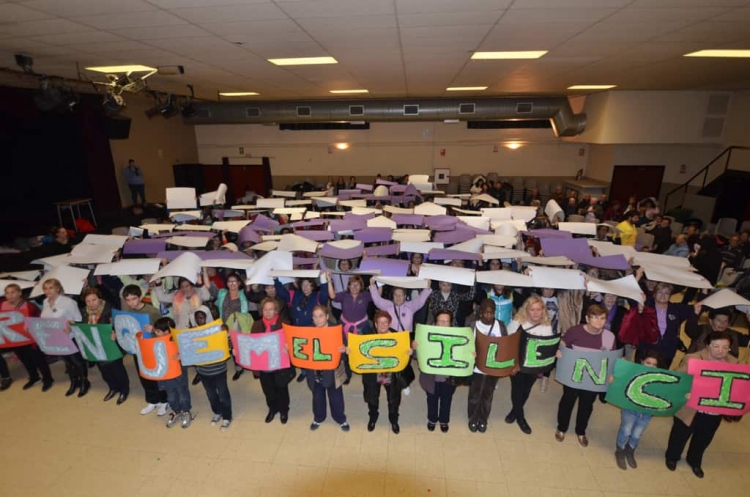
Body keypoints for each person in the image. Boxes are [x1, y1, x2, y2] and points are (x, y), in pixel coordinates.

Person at [665, 331, 737, 478]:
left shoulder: (734, 363)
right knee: (680, 434)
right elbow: (677, 377)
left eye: (725, 347)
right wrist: (685, 391)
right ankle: (672, 457)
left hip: (714, 409)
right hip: (691, 406)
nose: (721, 351)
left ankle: (694, 460)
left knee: (704, 437)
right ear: (707, 345)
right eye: (716, 346)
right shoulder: (693, 359)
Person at [555, 304, 616, 447]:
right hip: (573, 375)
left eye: (602, 318)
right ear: (587, 319)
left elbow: (612, 358)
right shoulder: (575, 331)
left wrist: (611, 373)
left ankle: (581, 431)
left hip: (593, 379)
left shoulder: (609, 336)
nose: (599, 321)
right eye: (595, 317)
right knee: (568, 401)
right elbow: (562, 343)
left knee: (587, 405)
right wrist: (559, 351)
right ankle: (562, 428)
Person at [505, 295, 554, 435]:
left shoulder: (546, 325)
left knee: (526, 389)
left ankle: (514, 411)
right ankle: (521, 418)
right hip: (517, 364)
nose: (536, 313)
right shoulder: (517, 322)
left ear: (543, 310)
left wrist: (554, 351)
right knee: (517, 388)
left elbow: (547, 346)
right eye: (532, 309)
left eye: (539, 309)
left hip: (534, 365)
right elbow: (508, 343)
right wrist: (514, 364)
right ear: (526, 310)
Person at [360, 311, 412, 434]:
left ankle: (393, 419)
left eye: (385, 322)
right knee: (372, 396)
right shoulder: (367, 336)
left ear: (389, 324)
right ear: (376, 324)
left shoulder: (397, 337)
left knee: (393, 398)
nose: (383, 325)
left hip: (389, 372)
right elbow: (359, 351)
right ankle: (373, 416)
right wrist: (350, 350)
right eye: (380, 322)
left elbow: (404, 355)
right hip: (373, 372)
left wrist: (408, 352)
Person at [122, 285, 169, 416]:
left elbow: (165, 331)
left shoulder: (152, 311)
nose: (131, 303)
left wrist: (153, 330)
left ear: (140, 297)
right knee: (144, 375)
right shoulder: (129, 311)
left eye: (134, 299)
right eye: (128, 300)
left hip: (153, 348)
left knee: (158, 376)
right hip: (138, 348)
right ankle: (153, 400)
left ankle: (164, 400)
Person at [40, 279, 89, 398]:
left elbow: (78, 319)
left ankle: (84, 381)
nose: (47, 291)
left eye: (51, 287)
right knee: (67, 361)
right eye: (45, 288)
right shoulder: (45, 302)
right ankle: (74, 381)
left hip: (70, 336)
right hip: (55, 337)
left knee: (77, 360)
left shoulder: (68, 302)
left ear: (58, 288)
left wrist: (70, 326)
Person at [0, 283, 54, 392]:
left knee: (39, 359)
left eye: (13, 292)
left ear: (19, 293)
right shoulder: (1, 305)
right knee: (25, 359)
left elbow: (39, 319)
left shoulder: (29, 306)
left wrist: (31, 326)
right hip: (14, 340)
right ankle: (34, 377)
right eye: (7, 293)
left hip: (31, 339)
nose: (10, 295)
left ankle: (48, 379)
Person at [614, 349, 662, 470]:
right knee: (626, 430)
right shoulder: (633, 373)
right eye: (648, 363)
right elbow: (620, 381)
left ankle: (630, 450)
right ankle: (620, 450)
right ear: (642, 362)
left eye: (654, 365)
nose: (651, 366)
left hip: (646, 412)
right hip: (630, 409)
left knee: (637, 433)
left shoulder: (658, 378)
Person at [81, 288, 129, 404]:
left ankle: (124, 389)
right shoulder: (83, 312)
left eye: (94, 300)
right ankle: (113, 387)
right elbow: (82, 327)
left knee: (117, 368)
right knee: (104, 369)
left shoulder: (110, 309)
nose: (91, 303)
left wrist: (115, 332)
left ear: (100, 298)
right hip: (96, 346)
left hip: (111, 343)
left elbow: (120, 324)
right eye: (88, 301)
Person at [306, 305, 349, 432]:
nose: (318, 319)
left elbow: (346, 347)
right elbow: (302, 349)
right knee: (317, 396)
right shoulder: (308, 331)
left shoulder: (336, 330)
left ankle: (340, 418)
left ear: (327, 316)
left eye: (321, 316)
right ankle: (318, 417)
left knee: (336, 397)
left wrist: (344, 349)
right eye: (315, 316)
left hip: (333, 371)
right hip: (315, 371)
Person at [467, 299, 508, 434]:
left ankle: (483, 419)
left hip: (493, 368)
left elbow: (505, 345)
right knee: (475, 395)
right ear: (480, 313)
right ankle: (473, 418)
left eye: (491, 313)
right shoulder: (473, 326)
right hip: (477, 368)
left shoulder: (500, 326)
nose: (489, 316)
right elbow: (466, 345)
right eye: (486, 313)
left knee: (488, 395)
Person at [251, 298, 294, 424]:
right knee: (268, 389)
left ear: (276, 311)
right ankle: (272, 408)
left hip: (279, 364)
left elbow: (292, 341)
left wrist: (288, 348)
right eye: (265, 309)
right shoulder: (256, 325)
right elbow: (251, 344)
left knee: (281, 388)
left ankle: (284, 410)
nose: (268, 312)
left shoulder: (284, 323)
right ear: (262, 310)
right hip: (264, 365)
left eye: (271, 309)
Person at [640, 282, 700, 368]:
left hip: (667, 352)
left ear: (670, 296)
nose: (663, 295)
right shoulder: (646, 305)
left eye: (666, 293)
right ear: (654, 294)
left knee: (662, 375)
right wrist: (638, 277)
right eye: (660, 292)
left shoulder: (676, 309)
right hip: (646, 350)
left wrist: (704, 290)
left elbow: (699, 306)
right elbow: (632, 294)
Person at [151, 317, 194, 428]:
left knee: (182, 392)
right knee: (171, 395)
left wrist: (181, 356)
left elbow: (190, 350)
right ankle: (176, 411)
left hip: (179, 372)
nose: (155, 333)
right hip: (166, 373)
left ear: (166, 332)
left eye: (158, 331)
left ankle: (186, 411)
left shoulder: (178, 340)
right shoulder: (156, 341)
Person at [212, 271, 253, 381]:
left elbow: (250, 291)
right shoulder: (222, 293)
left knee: (241, 347)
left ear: (239, 283)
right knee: (232, 348)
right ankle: (238, 368)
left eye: (234, 281)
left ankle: (248, 364)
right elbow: (209, 288)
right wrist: (205, 270)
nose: (232, 284)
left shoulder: (243, 293)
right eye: (230, 282)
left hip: (239, 325)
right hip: (225, 325)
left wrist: (249, 280)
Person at [198, 322, 233, 432]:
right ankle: (217, 411)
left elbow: (231, 344)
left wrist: (226, 336)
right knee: (211, 394)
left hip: (219, 371)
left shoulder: (223, 338)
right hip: (203, 372)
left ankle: (227, 416)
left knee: (223, 394)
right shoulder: (202, 338)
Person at [685, 307, 750, 358]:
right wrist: (695, 314)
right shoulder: (701, 330)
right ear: (710, 321)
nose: (722, 324)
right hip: (697, 367)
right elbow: (689, 329)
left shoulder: (733, 335)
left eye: (725, 321)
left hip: (724, 369)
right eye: (719, 320)